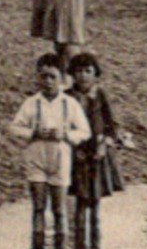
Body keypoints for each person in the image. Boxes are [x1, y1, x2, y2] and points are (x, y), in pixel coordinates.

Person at [8, 53, 89, 239]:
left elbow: (85, 131)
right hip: (36, 157)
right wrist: (32, 133)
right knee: (38, 207)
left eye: (53, 76)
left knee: (59, 209)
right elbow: (14, 128)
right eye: (43, 76)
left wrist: (65, 135)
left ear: (62, 78)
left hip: (60, 158)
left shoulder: (70, 104)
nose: (48, 81)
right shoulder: (31, 103)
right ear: (37, 77)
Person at [65, 52, 126, 248]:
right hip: (77, 153)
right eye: (78, 71)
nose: (83, 76)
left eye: (87, 71)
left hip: (98, 152)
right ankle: (79, 242)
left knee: (95, 200)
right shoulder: (67, 97)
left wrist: (105, 144)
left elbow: (112, 124)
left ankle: (94, 245)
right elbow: (63, 125)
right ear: (72, 74)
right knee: (81, 199)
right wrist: (74, 149)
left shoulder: (100, 95)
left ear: (95, 74)